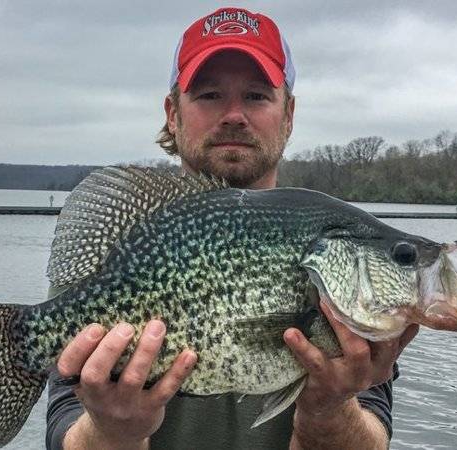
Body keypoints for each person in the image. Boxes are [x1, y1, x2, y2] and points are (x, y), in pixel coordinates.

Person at [46, 8, 419, 449]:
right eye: (209, 95)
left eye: (257, 96)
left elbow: (373, 437)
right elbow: (65, 434)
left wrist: (328, 407)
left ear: (289, 114)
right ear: (172, 113)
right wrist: (113, 430)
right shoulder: (128, 238)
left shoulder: (343, 248)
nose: (234, 115)